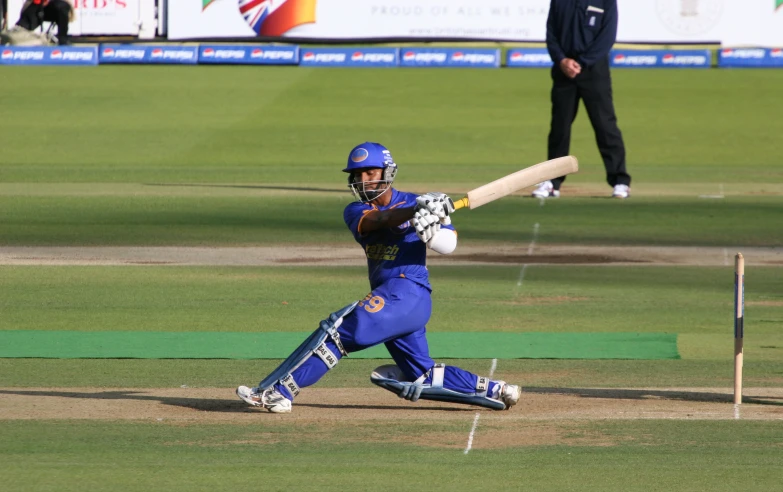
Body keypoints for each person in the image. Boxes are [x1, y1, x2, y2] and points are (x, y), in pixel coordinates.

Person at [236, 142, 521, 413]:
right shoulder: (357, 211)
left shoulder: (417, 201)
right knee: (420, 373)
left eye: (370, 173)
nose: (364, 180)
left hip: (407, 292)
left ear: (387, 173)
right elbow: (381, 220)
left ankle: (279, 393)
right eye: (358, 175)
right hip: (397, 300)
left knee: (338, 331)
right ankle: (496, 389)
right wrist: (416, 210)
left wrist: (435, 226)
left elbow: (448, 246)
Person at [532, 0, 631, 199]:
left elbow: (607, 37)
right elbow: (551, 33)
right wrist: (562, 60)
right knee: (560, 128)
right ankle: (552, 182)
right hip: (564, 71)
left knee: (605, 126)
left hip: (594, 71)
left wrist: (583, 62)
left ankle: (620, 181)